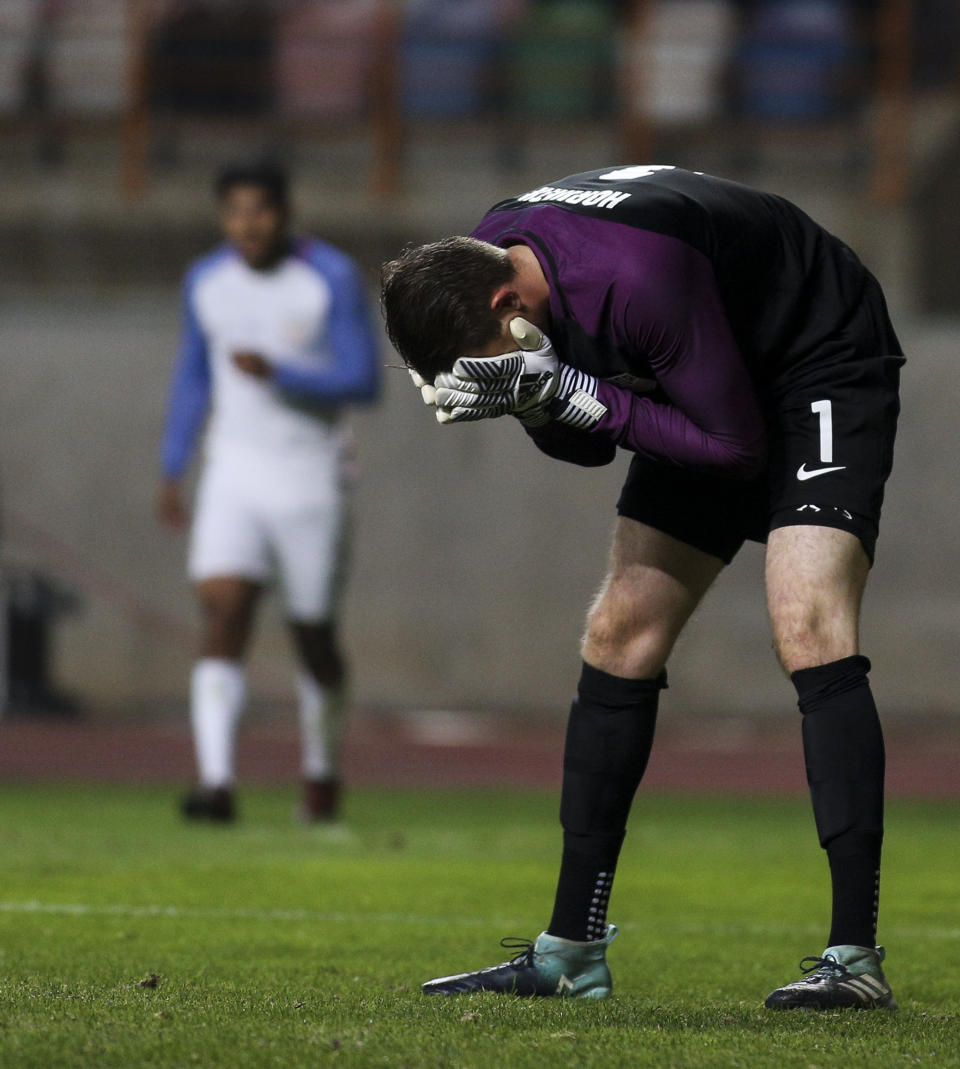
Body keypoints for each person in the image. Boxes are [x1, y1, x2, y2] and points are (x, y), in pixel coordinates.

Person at [381, 165, 903, 1010]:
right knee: (620, 630)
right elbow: (586, 445)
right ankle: (571, 951)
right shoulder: (493, 263)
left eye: (487, 361)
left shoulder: (634, 279)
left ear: (505, 307)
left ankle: (855, 956)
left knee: (808, 620)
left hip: (815, 354)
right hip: (705, 368)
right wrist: (538, 400)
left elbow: (733, 449)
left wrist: (563, 390)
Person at [157, 161, 380, 823]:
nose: (246, 224)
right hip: (233, 472)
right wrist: (174, 464)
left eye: (259, 210)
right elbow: (193, 376)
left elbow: (363, 378)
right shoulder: (206, 280)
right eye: (234, 212)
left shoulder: (329, 277)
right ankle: (217, 783)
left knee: (312, 633)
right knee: (223, 610)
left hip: (309, 473)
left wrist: (283, 375)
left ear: (285, 212)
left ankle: (321, 773)